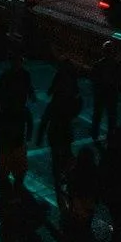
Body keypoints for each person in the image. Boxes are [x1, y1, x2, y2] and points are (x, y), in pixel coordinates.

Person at [37, 59, 82, 203]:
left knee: (57, 157)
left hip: (56, 132)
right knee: (66, 154)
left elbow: (45, 119)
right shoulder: (69, 93)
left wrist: (39, 136)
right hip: (64, 131)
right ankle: (67, 177)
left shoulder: (56, 102)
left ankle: (60, 178)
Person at [0, 94, 33, 194]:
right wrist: (28, 136)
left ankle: (9, 188)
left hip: (6, 144)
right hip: (16, 144)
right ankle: (16, 186)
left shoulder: (3, 113)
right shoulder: (23, 111)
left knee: (4, 170)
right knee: (19, 167)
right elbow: (30, 123)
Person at [91, 40, 121, 141]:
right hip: (111, 93)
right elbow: (120, 79)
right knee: (111, 116)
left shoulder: (98, 65)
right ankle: (110, 134)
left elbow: (94, 79)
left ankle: (95, 134)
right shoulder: (116, 65)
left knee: (98, 115)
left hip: (101, 93)